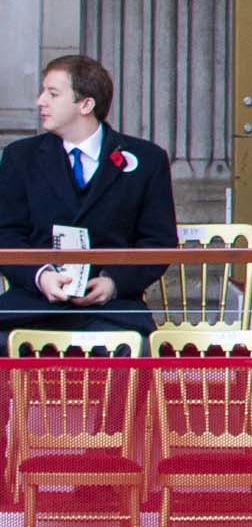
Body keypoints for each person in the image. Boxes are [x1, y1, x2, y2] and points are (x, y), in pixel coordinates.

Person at [0, 56, 178, 334]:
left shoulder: (148, 160)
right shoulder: (19, 157)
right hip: (33, 302)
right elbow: (6, 233)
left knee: (136, 348)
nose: (40, 101)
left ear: (86, 104)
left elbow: (159, 241)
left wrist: (113, 283)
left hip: (112, 308)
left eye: (53, 94)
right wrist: (41, 277)